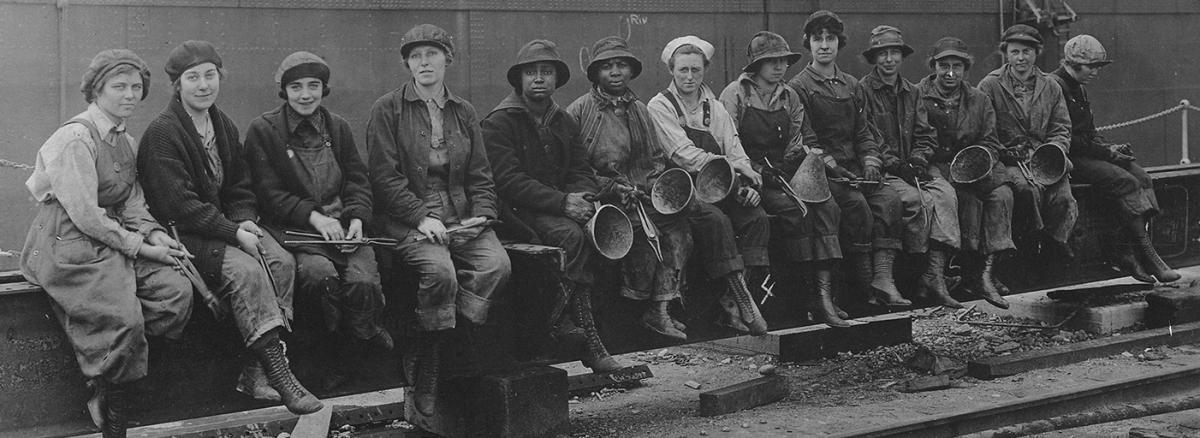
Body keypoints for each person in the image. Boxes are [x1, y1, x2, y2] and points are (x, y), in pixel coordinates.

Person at [137, 41, 321, 415]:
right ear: (177, 84)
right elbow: (180, 206)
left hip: (221, 226)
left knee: (281, 261)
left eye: (210, 75)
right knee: (247, 270)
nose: (203, 85)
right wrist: (235, 234)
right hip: (184, 235)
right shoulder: (162, 133)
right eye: (193, 78)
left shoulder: (221, 123)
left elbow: (239, 185)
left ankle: (255, 373)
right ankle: (279, 374)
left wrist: (246, 220)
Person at [20, 49, 193, 438]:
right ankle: (112, 407)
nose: (130, 95)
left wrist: (153, 233)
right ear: (97, 90)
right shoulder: (75, 138)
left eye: (136, 87)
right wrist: (142, 248)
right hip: (69, 243)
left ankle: (115, 374)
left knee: (175, 294)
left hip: (114, 237)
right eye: (119, 87)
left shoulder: (125, 140)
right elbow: (85, 215)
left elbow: (131, 201)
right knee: (123, 320)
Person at [568, 36, 767, 338]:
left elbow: (655, 159)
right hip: (606, 199)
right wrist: (613, 187)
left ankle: (708, 301)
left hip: (644, 193)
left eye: (621, 65)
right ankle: (642, 313)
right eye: (607, 67)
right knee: (659, 234)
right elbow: (575, 169)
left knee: (695, 221)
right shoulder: (580, 112)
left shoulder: (639, 110)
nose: (615, 72)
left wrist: (655, 187)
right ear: (596, 73)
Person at [365, 24, 512, 416]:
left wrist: (483, 213)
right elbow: (384, 177)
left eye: (431, 54)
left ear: (447, 58)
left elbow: (481, 173)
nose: (424, 62)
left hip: (460, 213)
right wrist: (419, 217)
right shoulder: (387, 108)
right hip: (407, 216)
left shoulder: (464, 111)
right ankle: (430, 366)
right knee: (441, 275)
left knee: (497, 265)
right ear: (407, 64)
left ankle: (439, 336)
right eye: (415, 56)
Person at [244, 51, 392, 390]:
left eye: (314, 86)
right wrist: (315, 217)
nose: (306, 94)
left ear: (324, 89)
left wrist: (356, 219)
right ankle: (322, 356)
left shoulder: (337, 127)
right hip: (296, 232)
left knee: (363, 283)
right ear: (283, 91)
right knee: (317, 278)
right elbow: (268, 194)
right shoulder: (263, 130)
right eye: (296, 87)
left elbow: (357, 178)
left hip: (343, 229)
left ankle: (358, 345)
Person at [481, 39, 621, 372]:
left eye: (547, 72)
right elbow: (508, 181)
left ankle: (576, 325)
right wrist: (563, 203)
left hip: (560, 206)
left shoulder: (563, 121)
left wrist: (584, 198)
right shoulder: (500, 122)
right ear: (519, 80)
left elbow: (580, 169)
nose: (539, 79)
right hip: (516, 212)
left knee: (604, 236)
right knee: (570, 236)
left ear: (557, 79)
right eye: (532, 73)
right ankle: (573, 331)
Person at [718, 31, 850, 326]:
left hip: (784, 172)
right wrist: (759, 172)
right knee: (795, 212)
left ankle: (823, 297)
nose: (779, 67)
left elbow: (796, 136)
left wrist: (793, 161)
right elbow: (729, 144)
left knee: (828, 208)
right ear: (756, 65)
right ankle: (799, 298)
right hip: (750, 175)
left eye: (783, 61)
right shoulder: (736, 93)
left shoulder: (789, 95)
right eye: (771, 61)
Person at [787, 10, 909, 307]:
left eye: (831, 38)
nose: (825, 45)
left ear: (839, 43)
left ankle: (884, 279)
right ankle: (864, 288)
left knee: (889, 199)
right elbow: (808, 140)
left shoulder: (852, 85)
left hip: (857, 168)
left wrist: (870, 162)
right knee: (856, 207)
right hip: (823, 172)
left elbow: (864, 133)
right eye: (818, 39)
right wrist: (838, 169)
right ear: (809, 43)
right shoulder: (799, 86)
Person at [647, 35, 772, 299]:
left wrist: (746, 180)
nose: (690, 77)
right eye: (683, 70)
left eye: (696, 70)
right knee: (717, 220)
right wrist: (732, 168)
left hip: (722, 186)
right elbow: (683, 155)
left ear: (704, 71)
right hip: (683, 191)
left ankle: (733, 300)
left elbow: (735, 149)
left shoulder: (714, 108)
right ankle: (741, 301)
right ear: (671, 70)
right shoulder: (660, 106)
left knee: (756, 218)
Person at [1050, 35, 1180, 283]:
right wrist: (1108, 154)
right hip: (1067, 159)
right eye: (1092, 67)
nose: (1096, 73)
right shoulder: (1055, 86)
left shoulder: (1079, 87)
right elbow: (1069, 140)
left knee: (1142, 177)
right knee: (1125, 181)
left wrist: (1111, 147)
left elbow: (1087, 133)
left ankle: (1129, 250)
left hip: (1088, 152)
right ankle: (1145, 255)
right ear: (1073, 63)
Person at [857, 26, 963, 308]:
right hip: (884, 170)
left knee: (946, 196)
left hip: (914, 167)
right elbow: (865, 135)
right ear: (874, 58)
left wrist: (918, 159)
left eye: (894, 53)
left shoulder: (912, 92)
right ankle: (909, 273)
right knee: (916, 202)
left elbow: (925, 133)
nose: (889, 60)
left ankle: (934, 276)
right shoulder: (863, 91)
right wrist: (894, 163)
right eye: (883, 54)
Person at [915, 37, 1014, 309]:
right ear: (933, 66)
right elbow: (917, 138)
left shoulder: (979, 99)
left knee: (1002, 193)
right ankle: (951, 271)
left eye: (956, 66)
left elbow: (991, 141)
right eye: (943, 65)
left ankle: (986, 273)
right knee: (961, 199)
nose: (950, 73)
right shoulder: (918, 95)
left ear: (965, 68)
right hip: (936, 163)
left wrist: (979, 161)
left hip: (975, 164)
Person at [977, 24, 1078, 262]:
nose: (1021, 58)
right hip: (1009, 158)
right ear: (1006, 53)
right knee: (1026, 190)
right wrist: (1002, 152)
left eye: (1026, 52)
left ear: (1036, 53)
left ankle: (1056, 242)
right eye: (1015, 52)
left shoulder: (1050, 85)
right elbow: (983, 129)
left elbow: (1061, 126)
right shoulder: (990, 85)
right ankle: (1029, 244)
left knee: (1063, 197)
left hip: (1045, 156)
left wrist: (1055, 151)